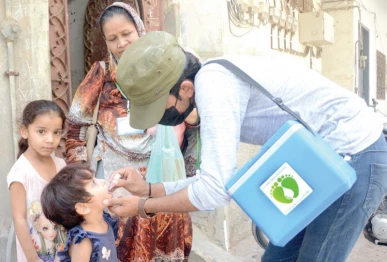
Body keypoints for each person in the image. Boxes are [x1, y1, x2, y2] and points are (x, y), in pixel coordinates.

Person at [105, 31, 387, 262]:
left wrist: (143, 205)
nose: (159, 116)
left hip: (357, 155)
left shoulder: (215, 88)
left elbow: (215, 191)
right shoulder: (208, 79)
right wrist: (149, 188)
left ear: (185, 89)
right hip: (321, 160)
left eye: (157, 105)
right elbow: (212, 182)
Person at [65, 3, 196, 261]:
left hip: (161, 180)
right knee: (117, 247)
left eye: (127, 34)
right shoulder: (101, 75)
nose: (122, 43)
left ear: (140, 29)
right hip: (115, 183)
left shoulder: (167, 71)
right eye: (112, 39)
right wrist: (82, 178)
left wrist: (189, 177)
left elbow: (192, 126)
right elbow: (75, 128)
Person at [7, 100, 67, 262]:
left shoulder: (60, 165)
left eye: (56, 132)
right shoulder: (21, 173)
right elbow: (19, 218)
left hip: (61, 250)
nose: (50, 139)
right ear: (24, 131)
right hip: (36, 254)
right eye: (41, 132)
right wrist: (33, 258)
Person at [40, 162, 118, 261]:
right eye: (93, 183)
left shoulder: (106, 220)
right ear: (83, 207)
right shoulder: (83, 241)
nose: (102, 181)